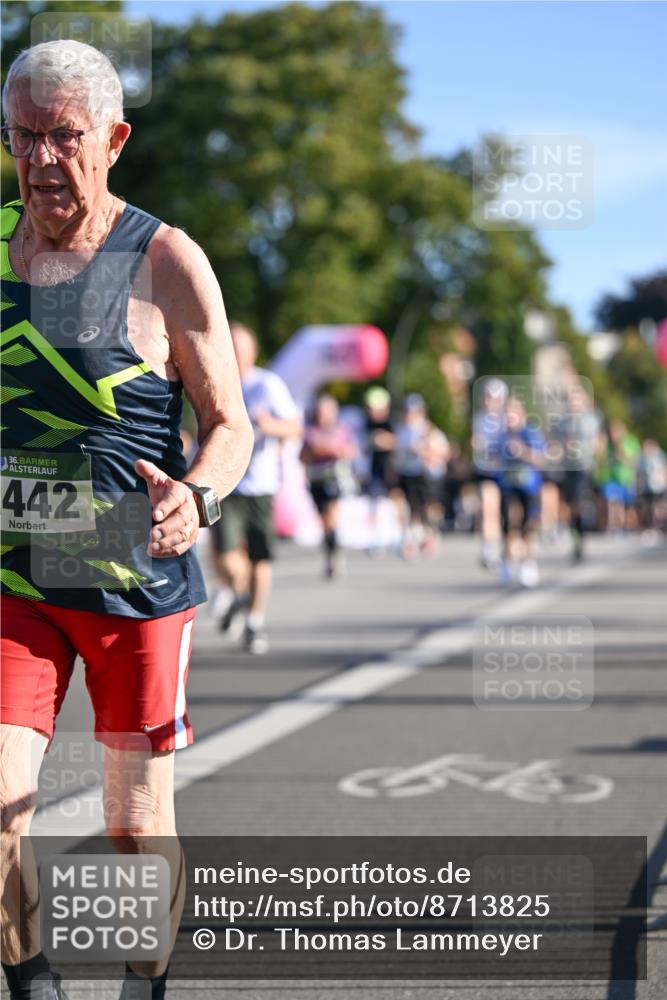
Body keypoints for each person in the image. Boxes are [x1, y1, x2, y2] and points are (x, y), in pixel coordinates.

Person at [0, 40, 253, 1000]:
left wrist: (199, 494)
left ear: (114, 139)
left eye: (66, 136)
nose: (43, 160)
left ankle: (146, 983)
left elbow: (228, 424)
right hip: (14, 578)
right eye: (25, 136)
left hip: (132, 585)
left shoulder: (164, 260)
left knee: (134, 825)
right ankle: (31, 982)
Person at [211, 322, 301, 654]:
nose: (234, 354)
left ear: (252, 352)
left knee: (260, 558)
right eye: (230, 347)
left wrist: (270, 425)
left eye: (240, 349)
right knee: (227, 555)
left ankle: (254, 621)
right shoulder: (217, 381)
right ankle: (236, 594)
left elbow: (294, 427)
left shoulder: (268, 385)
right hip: (224, 482)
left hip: (260, 484)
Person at [300, 394, 358, 578]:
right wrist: (315, 450)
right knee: (324, 521)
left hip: (335, 478)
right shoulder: (310, 431)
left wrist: (333, 449)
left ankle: (336, 555)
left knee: (332, 515)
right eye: (320, 412)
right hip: (316, 479)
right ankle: (331, 552)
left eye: (326, 412)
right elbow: (302, 456)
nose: (322, 415)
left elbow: (351, 450)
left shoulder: (341, 430)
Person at [498, 396, 545, 587]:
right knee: (509, 524)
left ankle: (528, 563)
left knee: (529, 525)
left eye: (513, 413)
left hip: (528, 485)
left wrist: (523, 452)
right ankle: (508, 562)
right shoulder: (501, 435)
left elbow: (540, 459)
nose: (509, 417)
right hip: (508, 484)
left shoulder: (530, 433)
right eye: (507, 413)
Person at [394, 394, 447, 558]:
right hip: (408, 473)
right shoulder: (402, 430)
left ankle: (431, 535)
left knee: (428, 506)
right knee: (410, 506)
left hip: (426, 474)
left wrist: (424, 451)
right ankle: (412, 538)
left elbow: (443, 452)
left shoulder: (428, 430)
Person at [471, 378, 508, 569]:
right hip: (486, 470)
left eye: (494, 398)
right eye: (487, 397)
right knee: (488, 508)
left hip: (505, 472)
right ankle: (489, 546)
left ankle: (503, 545)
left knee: (505, 513)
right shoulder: (479, 418)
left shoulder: (507, 419)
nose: (490, 401)